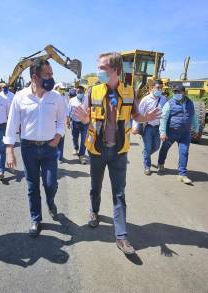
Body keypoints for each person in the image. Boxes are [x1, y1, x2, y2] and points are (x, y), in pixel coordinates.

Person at [73, 52, 160, 255]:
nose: (98, 71)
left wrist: (145, 117)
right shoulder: (92, 91)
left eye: (102, 67)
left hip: (119, 151)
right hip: (96, 149)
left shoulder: (129, 91)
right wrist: (85, 120)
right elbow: (85, 116)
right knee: (95, 187)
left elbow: (136, 114)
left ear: (115, 70)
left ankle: (121, 236)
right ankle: (94, 211)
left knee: (119, 194)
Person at [4, 59, 66, 237]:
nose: (51, 78)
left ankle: (51, 202)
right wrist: (9, 150)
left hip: (49, 148)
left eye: (52, 74)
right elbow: (12, 124)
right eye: (47, 75)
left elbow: (62, 121)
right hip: (28, 148)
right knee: (32, 185)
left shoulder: (56, 97)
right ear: (34, 77)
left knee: (50, 184)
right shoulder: (20, 97)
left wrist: (58, 136)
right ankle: (36, 219)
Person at [157, 84, 200, 184]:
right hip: (171, 132)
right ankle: (160, 163)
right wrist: (162, 132)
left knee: (184, 152)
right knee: (164, 149)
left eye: (178, 92)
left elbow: (193, 117)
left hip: (185, 134)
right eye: (175, 92)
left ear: (183, 93)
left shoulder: (190, 103)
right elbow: (163, 118)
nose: (176, 93)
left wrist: (196, 129)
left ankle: (182, 175)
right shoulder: (169, 103)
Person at [134, 80, 167, 175]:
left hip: (158, 127)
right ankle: (147, 166)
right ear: (152, 88)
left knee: (156, 147)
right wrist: (135, 127)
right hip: (147, 127)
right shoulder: (145, 99)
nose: (159, 90)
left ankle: (145, 154)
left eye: (161, 88)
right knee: (148, 148)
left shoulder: (164, 99)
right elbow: (138, 114)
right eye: (158, 87)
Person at [68, 86, 89, 164]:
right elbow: (68, 111)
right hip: (75, 122)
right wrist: (68, 121)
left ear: (84, 92)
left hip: (85, 123)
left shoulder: (87, 99)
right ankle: (75, 147)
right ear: (76, 92)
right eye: (78, 92)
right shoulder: (72, 100)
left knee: (84, 139)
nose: (79, 93)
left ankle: (82, 155)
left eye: (81, 92)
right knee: (75, 137)